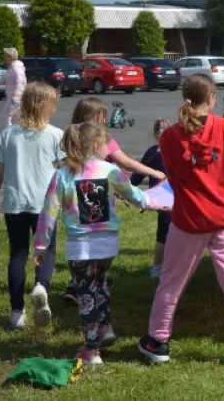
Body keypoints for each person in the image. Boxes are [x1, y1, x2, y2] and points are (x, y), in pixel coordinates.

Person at [138, 74, 224, 366]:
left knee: (171, 283)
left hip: (188, 220)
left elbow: (173, 180)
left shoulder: (170, 136)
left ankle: (158, 341)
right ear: (212, 98)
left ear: (184, 98)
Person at [35, 122, 161, 365]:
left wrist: (40, 246)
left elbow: (48, 214)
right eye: (107, 146)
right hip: (108, 245)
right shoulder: (109, 170)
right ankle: (105, 330)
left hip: (80, 247)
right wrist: (157, 203)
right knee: (100, 284)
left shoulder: (62, 175)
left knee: (86, 295)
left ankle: (91, 350)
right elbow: (134, 194)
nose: (109, 151)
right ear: (95, 146)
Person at [63, 98, 165, 303]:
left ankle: (79, 284)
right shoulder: (100, 139)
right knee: (98, 239)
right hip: (97, 193)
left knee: (83, 240)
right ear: (95, 117)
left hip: (76, 196)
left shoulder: (71, 133)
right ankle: (93, 289)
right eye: (103, 116)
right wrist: (155, 173)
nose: (106, 120)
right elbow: (126, 163)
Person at [0, 82, 63, 329]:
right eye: (53, 104)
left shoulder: (8, 135)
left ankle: (17, 311)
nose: (55, 109)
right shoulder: (56, 135)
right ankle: (41, 286)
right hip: (45, 206)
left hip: (14, 204)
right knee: (46, 250)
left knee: (18, 253)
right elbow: (65, 172)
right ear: (43, 105)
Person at [130, 118, 173, 278]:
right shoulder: (156, 152)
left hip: (170, 198)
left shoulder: (160, 151)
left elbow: (139, 173)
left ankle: (162, 266)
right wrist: (130, 188)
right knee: (166, 232)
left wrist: (130, 187)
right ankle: (158, 267)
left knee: (167, 233)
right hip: (165, 199)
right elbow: (140, 173)